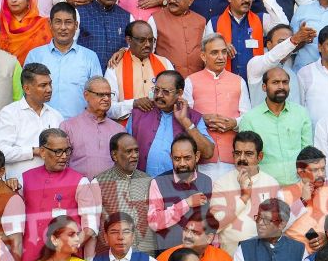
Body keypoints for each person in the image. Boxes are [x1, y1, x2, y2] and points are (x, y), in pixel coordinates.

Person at [20, 129, 100, 261]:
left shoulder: (80, 181)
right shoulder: (25, 178)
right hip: (30, 258)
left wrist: (69, 247)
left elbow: (91, 226)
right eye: (58, 151)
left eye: (67, 151)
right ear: (43, 152)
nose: (64, 156)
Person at [127, 70, 214, 178]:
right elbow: (125, 150)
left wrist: (185, 122)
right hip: (141, 183)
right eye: (156, 90)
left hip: (177, 187)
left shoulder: (193, 117)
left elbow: (208, 152)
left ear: (179, 93)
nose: (159, 95)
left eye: (166, 92)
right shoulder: (139, 113)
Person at [24, 1, 102, 119]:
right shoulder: (35, 55)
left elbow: (98, 96)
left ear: (76, 25)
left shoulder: (90, 57)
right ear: (50, 24)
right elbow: (27, 93)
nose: (63, 28)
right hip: (42, 126)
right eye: (58, 22)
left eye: (68, 22)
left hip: (78, 128)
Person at [186, 33, 249, 179]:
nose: (221, 57)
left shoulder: (238, 81)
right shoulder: (190, 81)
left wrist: (234, 123)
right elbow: (184, 118)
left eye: (223, 51)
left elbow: (248, 117)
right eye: (214, 52)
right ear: (203, 56)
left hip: (232, 157)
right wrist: (202, 119)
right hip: (201, 158)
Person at [210, 131, 280, 255]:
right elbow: (216, 224)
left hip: (263, 255)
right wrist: (244, 197)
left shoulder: (271, 183)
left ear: (260, 157)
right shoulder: (222, 183)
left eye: (248, 154)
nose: (242, 158)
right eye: (238, 153)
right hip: (230, 256)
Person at [240, 66, 312, 185]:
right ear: (264, 87)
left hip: (298, 186)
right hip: (265, 188)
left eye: (285, 82)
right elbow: (247, 160)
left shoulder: (301, 113)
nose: (281, 87)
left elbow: (308, 152)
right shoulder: (250, 119)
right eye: (275, 82)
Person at [0, 63, 61, 184]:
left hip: (52, 185)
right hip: (18, 186)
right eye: (43, 85)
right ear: (26, 89)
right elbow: (0, 153)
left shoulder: (56, 115)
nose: (49, 89)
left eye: (50, 84)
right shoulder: (9, 113)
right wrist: (33, 151)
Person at [207, 0, 285, 81]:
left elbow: (282, 23)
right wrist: (220, 47)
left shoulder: (260, 19)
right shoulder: (214, 23)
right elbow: (206, 54)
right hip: (225, 84)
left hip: (255, 84)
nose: (247, 0)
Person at [146, 132, 213, 252]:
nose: (182, 163)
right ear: (171, 157)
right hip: (169, 255)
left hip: (201, 254)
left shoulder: (207, 182)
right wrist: (186, 204)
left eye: (187, 158)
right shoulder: (158, 183)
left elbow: (213, 221)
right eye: (177, 159)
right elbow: (154, 223)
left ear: (197, 156)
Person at [95, 132, 157, 256]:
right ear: (114, 155)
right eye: (129, 151)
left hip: (146, 252)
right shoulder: (99, 182)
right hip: (115, 255)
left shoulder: (148, 179)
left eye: (136, 151)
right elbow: (96, 223)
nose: (134, 156)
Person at [104, 20, 174, 121]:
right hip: (128, 130)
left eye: (151, 40)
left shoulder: (165, 63)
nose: (147, 45)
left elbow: (176, 98)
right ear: (129, 40)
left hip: (161, 127)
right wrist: (133, 104)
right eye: (142, 40)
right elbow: (108, 108)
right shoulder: (115, 66)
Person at [61, 77, 124, 179]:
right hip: (78, 190)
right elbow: (62, 163)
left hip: (110, 190)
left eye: (108, 95)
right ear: (86, 95)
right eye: (100, 95)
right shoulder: (68, 126)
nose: (106, 98)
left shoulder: (119, 130)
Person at [147, 0, 206, 78]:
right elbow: (148, 53)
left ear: (190, 0)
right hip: (167, 82)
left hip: (196, 81)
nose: (172, 1)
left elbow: (206, 52)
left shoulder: (201, 21)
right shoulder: (155, 19)